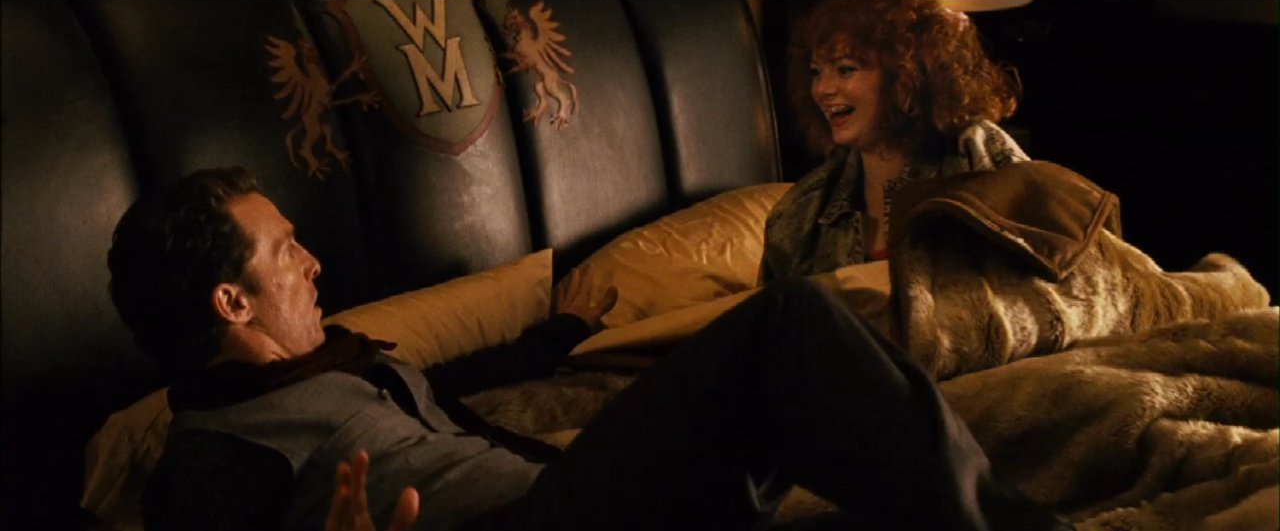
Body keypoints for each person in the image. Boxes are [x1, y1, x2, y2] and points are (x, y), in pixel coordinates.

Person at [110, 167, 1070, 530]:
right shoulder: (211, 457)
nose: (315, 263)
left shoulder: (344, 360)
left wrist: (563, 334)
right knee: (788, 324)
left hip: (568, 498)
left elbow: (453, 392)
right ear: (232, 300)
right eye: (287, 251)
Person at [760, 0, 1029, 283]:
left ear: (906, 73)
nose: (822, 89)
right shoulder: (799, 213)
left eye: (845, 69)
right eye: (816, 73)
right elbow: (769, 308)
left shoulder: (975, 150)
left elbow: (1046, 275)